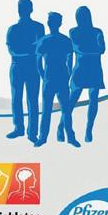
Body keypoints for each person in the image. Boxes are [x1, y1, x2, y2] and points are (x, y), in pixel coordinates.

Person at [57, 6, 105, 143]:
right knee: (71, 101)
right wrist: (92, 49)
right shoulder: (76, 32)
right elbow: (79, 49)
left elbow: (101, 49)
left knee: (92, 99)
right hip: (83, 69)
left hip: (92, 68)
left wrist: (87, 50)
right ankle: (61, 127)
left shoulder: (94, 31)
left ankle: (88, 130)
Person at [34, 12, 80, 148]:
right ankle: (67, 137)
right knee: (64, 110)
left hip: (52, 78)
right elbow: (70, 60)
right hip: (58, 78)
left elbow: (38, 61)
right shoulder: (64, 40)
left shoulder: (45, 40)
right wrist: (68, 74)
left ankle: (44, 138)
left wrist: (43, 75)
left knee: (49, 110)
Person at [6, 0, 45, 142]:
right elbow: (12, 50)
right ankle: (20, 128)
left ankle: (32, 132)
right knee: (18, 98)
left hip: (28, 67)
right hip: (21, 67)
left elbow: (40, 48)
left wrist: (26, 50)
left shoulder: (37, 27)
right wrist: (31, 50)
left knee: (32, 100)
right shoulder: (15, 29)